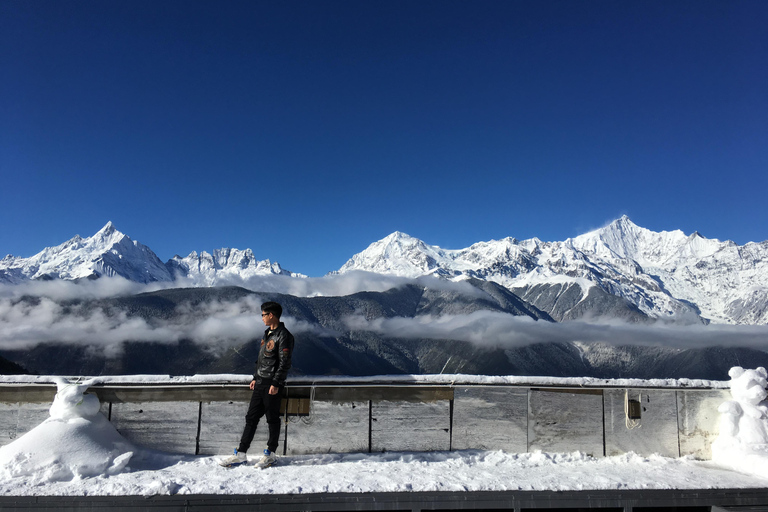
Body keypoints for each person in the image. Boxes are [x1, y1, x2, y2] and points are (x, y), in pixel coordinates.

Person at [219, 301, 294, 468]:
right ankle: (241, 453)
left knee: (272, 419)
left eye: (263, 315)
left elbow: (284, 362)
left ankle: (270, 454)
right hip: (260, 382)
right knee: (251, 418)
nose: (262, 318)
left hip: (272, 385)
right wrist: (255, 377)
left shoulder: (284, 335)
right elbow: (262, 359)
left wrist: (276, 382)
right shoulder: (267, 333)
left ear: (271, 315)